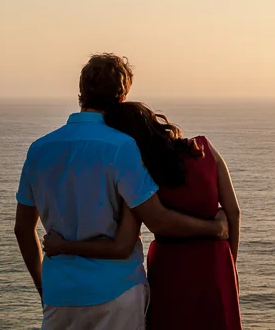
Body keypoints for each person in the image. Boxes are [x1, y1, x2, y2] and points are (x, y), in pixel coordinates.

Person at [14, 54, 228, 330]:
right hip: (117, 293)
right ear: (122, 95)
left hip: (61, 296)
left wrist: (45, 288)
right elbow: (158, 219)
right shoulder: (122, 147)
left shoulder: (39, 149)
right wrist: (215, 229)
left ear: (81, 93)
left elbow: (23, 228)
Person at [43, 101, 243, 330]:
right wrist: (230, 266)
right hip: (217, 263)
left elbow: (124, 242)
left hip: (172, 266)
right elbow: (233, 213)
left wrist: (64, 246)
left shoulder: (143, 173)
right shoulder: (204, 148)